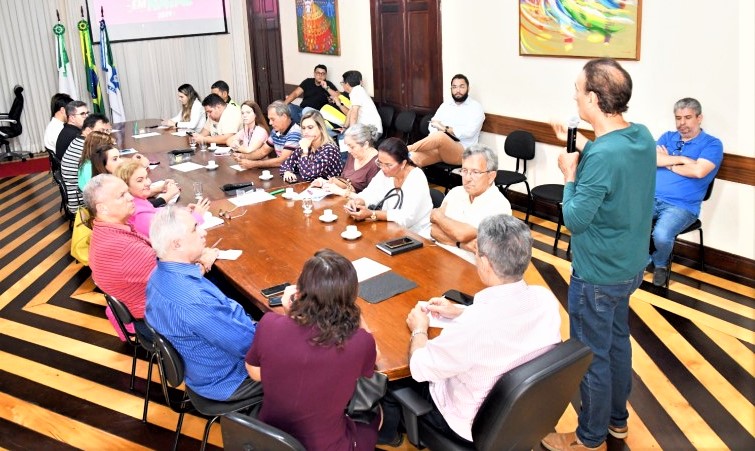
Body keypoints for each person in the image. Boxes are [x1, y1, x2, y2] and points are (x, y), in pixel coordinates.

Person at [541, 58, 656, 451]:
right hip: (629, 268)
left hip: (597, 276)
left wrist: (569, 174)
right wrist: (580, 148)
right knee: (618, 344)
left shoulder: (603, 156)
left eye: (578, 90)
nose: (574, 96)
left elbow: (574, 219)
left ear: (592, 98)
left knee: (591, 357)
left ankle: (589, 437)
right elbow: (610, 162)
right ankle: (617, 422)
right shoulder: (640, 136)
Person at [379, 215, 561, 445]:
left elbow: (420, 367)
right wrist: (460, 311)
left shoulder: (473, 327)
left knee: (392, 380)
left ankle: (390, 436)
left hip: (467, 425)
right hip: (519, 415)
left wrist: (419, 329)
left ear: (485, 263)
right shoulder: (545, 300)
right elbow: (504, 322)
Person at [245, 249, 379, 450]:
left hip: (271, 440)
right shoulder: (360, 342)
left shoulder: (269, 323)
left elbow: (256, 373)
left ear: (299, 291)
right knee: (377, 415)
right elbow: (373, 362)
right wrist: (357, 316)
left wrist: (290, 312)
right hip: (326, 446)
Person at [146, 206, 262, 403]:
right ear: (177, 244)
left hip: (202, 368)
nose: (203, 232)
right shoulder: (193, 301)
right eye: (195, 228)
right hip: (231, 378)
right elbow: (250, 347)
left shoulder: (158, 276)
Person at [650, 97, 723, 286]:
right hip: (650, 198)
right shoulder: (668, 137)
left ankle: (660, 264)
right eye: (678, 118)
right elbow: (653, 159)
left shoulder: (712, 144)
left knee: (661, 235)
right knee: (622, 219)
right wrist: (683, 159)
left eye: (688, 117)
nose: (682, 123)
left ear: (699, 118)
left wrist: (669, 162)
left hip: (682, 206)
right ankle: (637, 260)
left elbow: (699, 171)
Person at [84, 174, 157, 338]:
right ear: (102, 208)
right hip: (158, 322)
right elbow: (177, 279)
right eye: (122, 195)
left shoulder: (104, 231)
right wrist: (202, 262)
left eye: (127, 192)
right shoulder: (124, 248)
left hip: (143, 312)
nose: (130, 198)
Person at [430, 144, 511, 264]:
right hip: (438, 258)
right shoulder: (455, 192)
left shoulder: (499, 205)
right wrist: (461, 245)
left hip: (470, 268)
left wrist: (439, 217)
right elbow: (433, 230)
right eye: (464, 171)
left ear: (491, 176)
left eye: (475, 172)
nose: (467, 178)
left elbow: (462, 234)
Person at [345, 137, 432, 235]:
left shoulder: (416, 178)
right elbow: (371, 192)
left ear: (403, 163)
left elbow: (406, 218)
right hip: (389, 229)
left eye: (388, 165)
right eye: (380, 163)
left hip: (416, 234)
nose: (383, 168)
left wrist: (372, 214)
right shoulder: (385, 173)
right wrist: (358, 201)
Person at [408, 74, 485, 167]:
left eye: (461, 87)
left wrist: (445, 129)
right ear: (451, 89)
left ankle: (406, 148)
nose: (458, 90)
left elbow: (469, 133)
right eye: (454, 87)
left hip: (463, 152)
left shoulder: (476, 108)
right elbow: (433, 123)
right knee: (411, 158)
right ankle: (408, 153)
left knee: (440, 136)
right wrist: (436, 135)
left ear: (468, 88)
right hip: (441, 148)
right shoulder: (446, 105)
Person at [116, 160, 209, 237]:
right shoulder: (138, 214)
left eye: (146, 177)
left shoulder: (138, 202)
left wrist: (182, 212)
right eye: (140, 180)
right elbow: (175, 236)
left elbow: (155, 212)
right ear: (125, 186)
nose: (148, 183)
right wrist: (196, 216)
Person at [60, 114, 112, 214]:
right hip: (82, 204)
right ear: (88, 130)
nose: (106, 135)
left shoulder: (80, 141)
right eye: (101, 131)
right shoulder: (87, 149)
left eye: (107, 131)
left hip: (79, 195)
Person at [310, 123, 380, 195]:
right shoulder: (353, 154)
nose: (349, 150)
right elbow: (345, 181)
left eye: (352, 147)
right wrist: (325, 182)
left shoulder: (377, 163)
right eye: (347, 146)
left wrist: (342, 191)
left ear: (365, 145)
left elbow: (370, 197)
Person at [233, 101, 301, 169]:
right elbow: (263, 151)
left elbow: (282, 161)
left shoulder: (295, 132)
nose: (270, 123)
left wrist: (253, 164)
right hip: (282, 170)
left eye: (273, 119)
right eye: (269, 119)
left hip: (293, 172)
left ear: (284, 117)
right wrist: (243, 156)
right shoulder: (276, 131)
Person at [280, 110, 342, 183]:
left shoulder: (330, 150)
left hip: (330, 188)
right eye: (303, 128)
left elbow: (308, 175)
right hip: (311, 187)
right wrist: (287, 171)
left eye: (310, 127)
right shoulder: (306, 144)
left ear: (320, 128)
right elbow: (286, 164)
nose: (306, 132)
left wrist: (304, 153)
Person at [338, 70, 382, 135]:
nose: (342, 85)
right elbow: (350, 112)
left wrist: (351, 133)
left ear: (347, 84)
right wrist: (344, 127)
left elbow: (354, 115)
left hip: (373, 132)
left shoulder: (356, 92)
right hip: (369, 129)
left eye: (342, 83)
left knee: (343, 137)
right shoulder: (356, 91)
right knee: (342, 135)